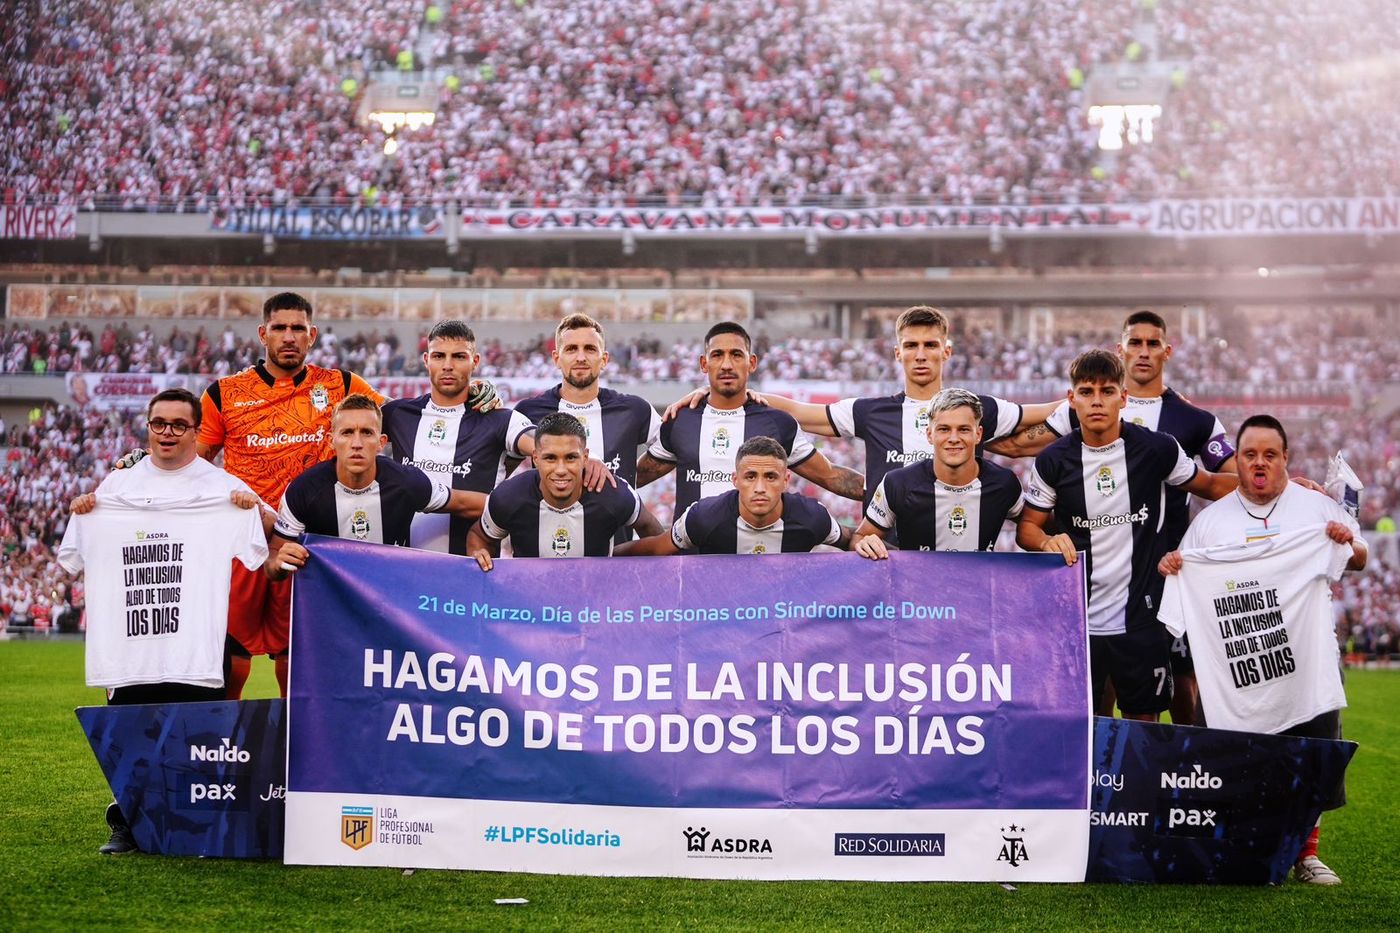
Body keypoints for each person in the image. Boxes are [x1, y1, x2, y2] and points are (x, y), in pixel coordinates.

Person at [1158, 414, 1366, 886]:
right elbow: (1183, 589)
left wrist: (1346, 543)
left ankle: (1306, 854)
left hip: (1306, 659)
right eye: (1249, 454)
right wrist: (1176, 567)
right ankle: (1236, 847)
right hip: (1236, 666)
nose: (1259, 463)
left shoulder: (1315, 508)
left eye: (1270, 455)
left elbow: (1359, 559)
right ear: (1237, 458)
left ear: (1285, 459)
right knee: (1234, 757)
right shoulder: (1209, 524)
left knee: (1312, 754)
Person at [60, 388, 268, 855]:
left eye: (179, 424)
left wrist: (250, 507)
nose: (168, 432)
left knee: (198, 739)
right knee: (131, 739)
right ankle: (127, 823)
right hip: (133, 645)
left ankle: (198, 825)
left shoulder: (220, 486)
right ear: (148, 426)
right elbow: (74, 554)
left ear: (197, 431)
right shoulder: (118, 487)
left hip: (196, 644)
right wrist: (86, 510)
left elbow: (260, 548)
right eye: (159, 423)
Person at [1005, 310, 1237, 723]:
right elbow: (1028, 528)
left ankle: (1170, 783)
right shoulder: (1054, 460)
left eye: (1107, 392)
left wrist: (1279, 485)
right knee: (1084, 723)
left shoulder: (1159, 447)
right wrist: (1045, 541)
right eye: (1087, 392)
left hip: (1145, 608)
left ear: (1122, 398)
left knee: (1146, 720)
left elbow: (1210, 485)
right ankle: (1094, 790)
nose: (1097, 401)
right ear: (1071, 399)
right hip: (1078, 613)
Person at [670, 306, 1055, 535]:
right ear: (897, 353)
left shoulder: (976, 407)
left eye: (930, 345)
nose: (920, 355)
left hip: (963, 552)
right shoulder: (871, 411)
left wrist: (1107, 402)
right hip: (887, 551)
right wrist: (719, 397)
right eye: (911, 346)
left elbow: (1047, 417)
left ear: (947, 351)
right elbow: (806, 414)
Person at [196, 291, 382, 700]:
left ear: (312, 335)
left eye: (298, 328)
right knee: (230, 649)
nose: (288, 336)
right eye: (279, 328)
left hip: (308, 543)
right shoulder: (224, 393)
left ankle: (298, 746)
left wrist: (475, 402)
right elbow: (191, 463)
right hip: (244, 541)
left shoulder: (341, 385)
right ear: (263, 333)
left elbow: (401, 421)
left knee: (298, 651)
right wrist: (140, 465)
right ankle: (222, 745)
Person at [636, 321, 864, 515]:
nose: (726, 364)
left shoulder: (777, 423)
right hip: (692, 559)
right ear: (704, 364)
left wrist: (889, 495)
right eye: (717, 355)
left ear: (751, 363)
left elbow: (831, 476)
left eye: (736, 355)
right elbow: (634, 479)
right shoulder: (681, 421)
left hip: (758, 561)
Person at [266, 395, 486, 580]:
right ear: (331, 440)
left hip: (390, 602)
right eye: (347, 432)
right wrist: (279, 563)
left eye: (367, 433)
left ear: (381, 442)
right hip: (331, 608)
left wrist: (499, 521)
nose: (357, 443)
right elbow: (273, 559)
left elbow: (468, 504)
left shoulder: (406, 482)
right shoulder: (303, 491)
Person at [381, 320, 537, 555]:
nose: (447, 365)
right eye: (439, 356)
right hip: (405, 565)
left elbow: (544, 447)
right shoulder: (398, 414)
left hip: (473, 568)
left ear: (475, 361)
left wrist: (591, 459)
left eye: (459, 357)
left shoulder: (500, 419)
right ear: (426, 360)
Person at [515, 313, 662, 542]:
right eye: (571, 349)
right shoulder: (528, 411)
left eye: (590, 349)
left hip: (618, 553)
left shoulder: (634, 409)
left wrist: (630, 479)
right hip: (546, 550)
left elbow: (674, 445)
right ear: (556, 358)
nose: (581, 357)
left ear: (604, 359)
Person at [468, 413, 662, 569]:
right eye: (550, 458)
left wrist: (654, 572)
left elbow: (650, 528)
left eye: (570, 458)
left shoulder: (613, 494)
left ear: (586, 458)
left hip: (593, 609)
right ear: (535, 458)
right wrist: (478, 555)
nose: (561, 470)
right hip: (529, 607)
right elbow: (479, 536)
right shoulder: (508, 496)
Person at [852, 388, 1024, 558]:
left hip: (980, 585)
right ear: (929, 434)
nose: (954, 438)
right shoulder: (898, 484)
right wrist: (865, 543)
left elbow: (1032, 527)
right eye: (944, 429)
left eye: (963, 429)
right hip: (916, 585)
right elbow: (860, 537)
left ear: (978, 434)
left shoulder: (1004, 483)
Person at [618, 436, 850, 555]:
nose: (760, 487)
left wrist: (870, 542)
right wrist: (599, 559)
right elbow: (655, 549)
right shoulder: (704, 516)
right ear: (735, 480)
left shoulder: (812, 516)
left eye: (770, 477)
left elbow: (852, 541)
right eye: (750, 477)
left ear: (786, 481)